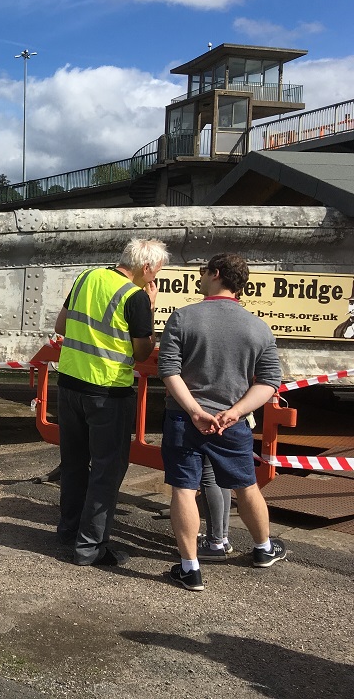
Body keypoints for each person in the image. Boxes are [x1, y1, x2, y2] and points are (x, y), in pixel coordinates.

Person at [160, 253, 287, 591]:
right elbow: (270, 380)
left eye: (203, 271)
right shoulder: (258, 327)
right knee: (246, 486)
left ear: (215, 274)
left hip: (184, 419)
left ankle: (191, 569)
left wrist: (194, 411)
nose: (200, 277)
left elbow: (168, 369)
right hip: (232, 424)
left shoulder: (183, 317)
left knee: (184, 490)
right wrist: (234, 412)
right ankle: (263, 549)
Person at [54, 238, 167, 566]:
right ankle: (90, 548)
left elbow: (60, 326)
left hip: (69, 385)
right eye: (156, 271)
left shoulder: (86, 277)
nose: (155, 278)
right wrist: (151, 307)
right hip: (107, 394)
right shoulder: (136, 297)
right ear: (145, 268)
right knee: (107, 470)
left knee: (74, 464)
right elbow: (143, 352)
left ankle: (68, 531)